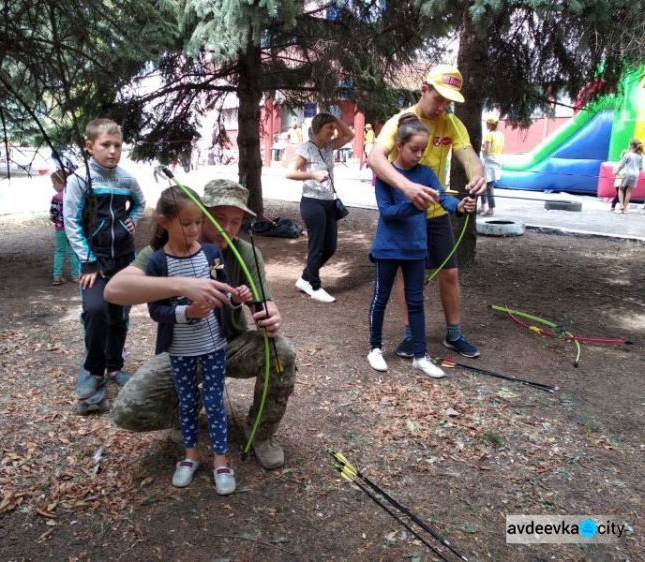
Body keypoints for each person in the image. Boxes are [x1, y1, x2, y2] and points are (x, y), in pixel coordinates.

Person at [106, 179, 296, 470]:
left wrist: (270, 315)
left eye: (236, 222)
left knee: (281, 351)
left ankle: (261, 435)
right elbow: (114, 290)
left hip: (227, 344)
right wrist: (181, 284)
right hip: (181, 350)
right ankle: (186, 413)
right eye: (219, 219)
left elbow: (263, 304)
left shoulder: (245, 253)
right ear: (200, 214)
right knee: (128, 411)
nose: (228, 230)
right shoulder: (167, 250)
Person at [368, 64, 486, 360]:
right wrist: (406, 188)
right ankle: (411, 335)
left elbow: (469, 156)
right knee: (407, 279)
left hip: (435, 212)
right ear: (424, 90)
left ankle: (454, 334)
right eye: (439, 99)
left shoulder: (451, 124)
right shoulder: (402, 121)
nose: (443, 107)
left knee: (450, 272)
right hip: (407, 213)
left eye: (449, 102)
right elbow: (375, 158)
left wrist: (477, 174)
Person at [145, 186, 253, 495]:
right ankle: (190, 457)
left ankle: (221, 462)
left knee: (215, 401)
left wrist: (237, 297)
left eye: (197, 222)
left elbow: (225, 291)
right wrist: (187, 311)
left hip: (213, 346)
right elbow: (156, 310)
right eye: (186, 223)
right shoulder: (158, 264)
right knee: (188, 400)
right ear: (165, 222)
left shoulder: (211, 254)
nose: (194, 230)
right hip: (180, 349)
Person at [63, 118, 145, 406]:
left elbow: (140, 203)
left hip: (124, 260)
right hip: (95, 262)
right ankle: (94, 371)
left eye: (117, 145)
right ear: (90, 147)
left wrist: (132, 220)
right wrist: (87, 261)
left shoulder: (126, 178)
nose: (112, 151)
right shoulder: (79, 179)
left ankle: (115, 367)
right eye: (105, 145)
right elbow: (70, 221)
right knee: (96, 311)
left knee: (119, 314)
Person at [286, 112, 354, 303]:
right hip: (312, 202)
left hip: (329, 201)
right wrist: (313, 175)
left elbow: (350, 135)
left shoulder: (329, 146)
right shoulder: (306, 148)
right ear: (317, 129)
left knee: (330, 247)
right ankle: (314, 286)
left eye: (333, 128)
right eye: (329, 128)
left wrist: (336, 119)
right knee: (316, 246)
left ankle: (305, 278)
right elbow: (289, 173)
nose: (333, 132)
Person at [49, 169, 81, 285]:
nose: (53, 186)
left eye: (54, 183)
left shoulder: (56, 198)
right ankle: (76, 276)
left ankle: (57, 275)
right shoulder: (74, 196)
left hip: (60, 229)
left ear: (62, 182)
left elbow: (53, 213)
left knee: (60, 251)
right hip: (72, 228)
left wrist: (54, 220)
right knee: (73, 252)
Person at [479, 116, 504, 217]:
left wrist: (480, 148)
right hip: (497, 161)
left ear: (491, 124)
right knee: (489, 186)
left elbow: (487, 151)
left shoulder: (489, 135)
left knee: (486, 186)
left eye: (487, 123)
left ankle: (489, 208)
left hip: (489, 163)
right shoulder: (501, 135)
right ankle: (485, 207)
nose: (486, 124)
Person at [613, 139, 643, 214]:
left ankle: (621, 206)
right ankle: (625, 209)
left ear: (632, 145)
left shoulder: (627, 154)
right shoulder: (639, 156)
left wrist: (616, 171)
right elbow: (641, 167)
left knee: (621, 189)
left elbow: (622, 165)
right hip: (635, 174)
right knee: (629, 191)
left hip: (627, 173)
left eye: (629, 144)